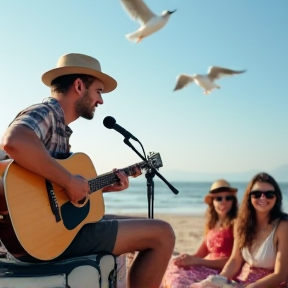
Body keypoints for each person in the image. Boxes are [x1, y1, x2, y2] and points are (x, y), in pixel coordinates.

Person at [1, 53, 176, 288]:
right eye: (98, 91)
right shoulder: (47, 113)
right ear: (79, 85)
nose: (101, 101)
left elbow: (52, 196)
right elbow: (14, 141)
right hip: (38, 241)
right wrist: (69, 180)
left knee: (142, 224)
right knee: (162, 234)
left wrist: (100, 188)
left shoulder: (61, 130)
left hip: (44, 234)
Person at [162, 179, 238, 288]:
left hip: (220, 272)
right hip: (204, 266)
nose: (223, 202)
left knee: (177, 277)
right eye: (219, 198)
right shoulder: (212, 225)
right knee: (172, 265)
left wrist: (196, 261)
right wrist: (185, 259)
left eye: (228, 198)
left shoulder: (235, 224)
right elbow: (198, 255)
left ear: (233, 201)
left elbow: (233, 261)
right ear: (212, 201)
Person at [217, 172, 288, 287]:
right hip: (242, 281)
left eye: (269, 194)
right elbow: (235, 260)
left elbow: (280, 274)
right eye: (257, 194)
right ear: (249, 197)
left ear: (277, 198)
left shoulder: (283, 226)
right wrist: (220, 279)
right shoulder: (241, 223)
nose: (263, 198)